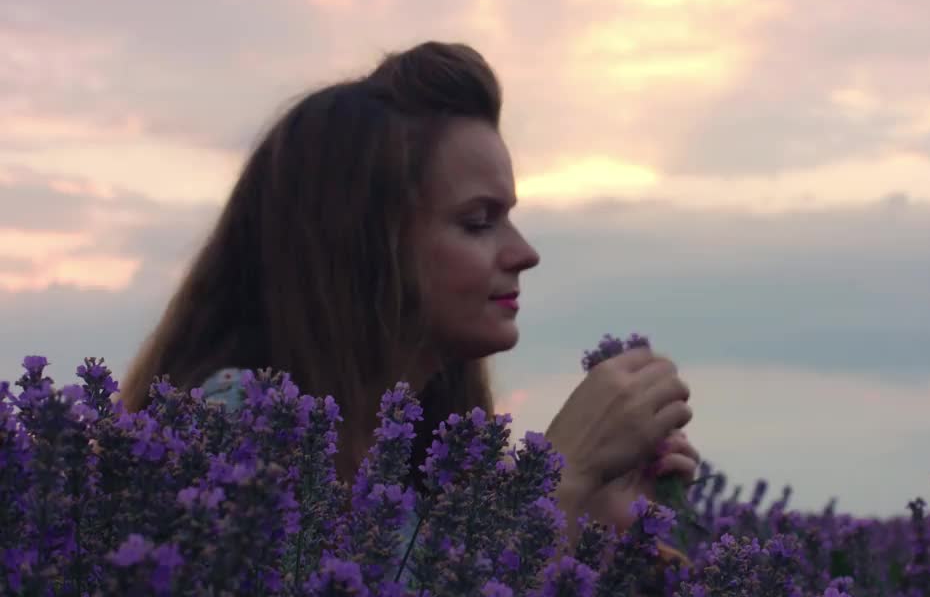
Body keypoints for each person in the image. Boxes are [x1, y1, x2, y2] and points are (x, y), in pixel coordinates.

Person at [119, 41, 700, 547]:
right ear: (363, 244)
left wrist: (592, 528)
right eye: (478, 222)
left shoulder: (426, 467)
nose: (525, 253)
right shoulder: (235, 427)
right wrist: (560, 478)